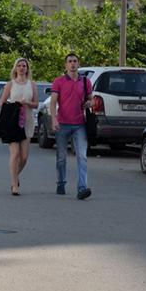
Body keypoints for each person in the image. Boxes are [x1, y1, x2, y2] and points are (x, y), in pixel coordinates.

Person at [50, 53, 92, 200]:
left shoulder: (85, 81)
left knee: (82, 156)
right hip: (62, 123)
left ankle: (82, 188)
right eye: (70, 61)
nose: (72, 64)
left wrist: (88, 103)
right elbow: (53, 102)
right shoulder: (58, 81)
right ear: (66, 65)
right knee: (61, 157)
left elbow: (90, 99)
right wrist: (54, 120)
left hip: (80, 124)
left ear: (78, 64)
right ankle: (61, 182)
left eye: (75, 61)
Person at [0, 57, 38, 196]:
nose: (22, 68)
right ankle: (15, 184)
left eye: (24, 66)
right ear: (15, 68)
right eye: (19, 65)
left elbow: (37, 104)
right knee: (15, 154)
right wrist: (14, 106)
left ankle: (14, 177)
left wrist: (27, 103)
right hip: (13, 122)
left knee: (24, 157)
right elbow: (2, 103)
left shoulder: (32, 84)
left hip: (26, 121)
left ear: (27, 69)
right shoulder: (10, 84)